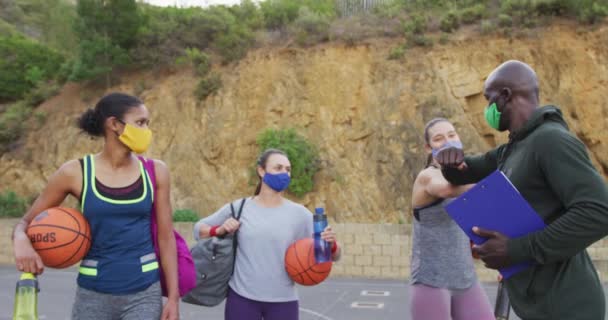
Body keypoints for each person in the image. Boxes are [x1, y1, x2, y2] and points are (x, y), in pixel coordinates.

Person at [437, 60, 608, 320]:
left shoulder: (551, 141)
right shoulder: (513, 150)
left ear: (506, 96)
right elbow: (467, 169)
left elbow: (599, 211)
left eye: (489, 99)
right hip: (538, 305)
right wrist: (449, 162)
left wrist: (515, 250)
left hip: (568, 307)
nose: (488, 110)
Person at [11, 92, 179, 320]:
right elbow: (25, 223)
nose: (147, 131)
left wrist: (173, 298)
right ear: (114, 124)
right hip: (92, 294)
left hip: (144, 292)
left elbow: (166, 238)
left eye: (147, 123)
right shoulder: (75, 172)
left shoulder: (156, 171)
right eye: (140, 123)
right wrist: (21, 239)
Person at [194, 148, 341, 320]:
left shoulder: (299, 214)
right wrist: (218, 230)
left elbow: (336, 256)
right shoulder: (240, 208)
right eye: (278, 168)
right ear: (261, 171)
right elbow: (198, 229)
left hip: (284, 301)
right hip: (242, 298)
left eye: (288, 169)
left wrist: (332, 245)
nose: (284, 174)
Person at [409, 118, 495, 320]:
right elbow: (448, 189)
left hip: (465, 278)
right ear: (428, 148)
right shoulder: (427, 176)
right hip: (431, 280)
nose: (447, 141)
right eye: (438, 139)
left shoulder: (467, 174)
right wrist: (497, 180)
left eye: (452, 135)